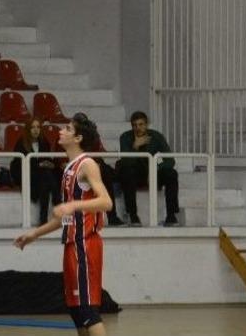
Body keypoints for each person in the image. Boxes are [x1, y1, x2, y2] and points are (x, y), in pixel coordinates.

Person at [15, 113, 113, 336]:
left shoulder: (87, 164)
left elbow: (106, 202)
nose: (61, 131)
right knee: (77, 312)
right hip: (72, 244)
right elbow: (63, 217)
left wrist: (73, 205)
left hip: (86, 244)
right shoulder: (68, 168)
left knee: (88, 311)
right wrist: (34, 234)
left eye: (67, 129)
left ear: (78, 138)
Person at [115, 111, 179, 226]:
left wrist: (155, 169)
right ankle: (133, 215)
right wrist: (135, 146)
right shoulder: (125, 137)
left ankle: (171, 215)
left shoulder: (156, 136)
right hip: (135, 174)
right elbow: (125, 161)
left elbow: (170, 160)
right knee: (127, 172)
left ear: (147, 124)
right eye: (135, 125)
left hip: (153, 172)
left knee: (171, 173)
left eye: (141, 124)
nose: (138, 128)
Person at [12, 118, 62, 223]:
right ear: (28, 129)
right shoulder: (21, 143)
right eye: (33, 127)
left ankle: (43, 218)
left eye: (38, 127)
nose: (36, 130)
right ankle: (57, 202)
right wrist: (39, 165)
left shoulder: (44, 142)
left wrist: (49, 164)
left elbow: (47, 159)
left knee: (46, 180)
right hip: (26, 174)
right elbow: (19, 164)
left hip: (43, 176)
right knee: (47, 177)